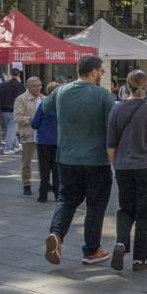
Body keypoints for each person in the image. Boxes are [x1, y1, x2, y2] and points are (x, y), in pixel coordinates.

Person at [43, 55, 116, 266]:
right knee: (95, 205)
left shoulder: (60, 91)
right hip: (96, 160)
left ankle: (56, 235)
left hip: (66, 158)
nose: (102, 74)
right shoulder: (102, 95)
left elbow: (45, 108)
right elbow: (111, 126)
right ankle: (91, 249)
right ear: (93, 71)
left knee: (66, 200)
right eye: (101, 70)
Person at [106, 69, 147, 272]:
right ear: (146, 87)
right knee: (144, 212)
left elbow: (110, 146)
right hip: (145, 167)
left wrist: (115, 167)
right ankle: (140, 259)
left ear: (127, 85)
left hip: (123, 167)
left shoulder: (116, 109)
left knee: (125, 208)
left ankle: (121, 243)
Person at [14, 77, 44, 196]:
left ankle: (45, 183)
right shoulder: (21, 99)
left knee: (44, 161)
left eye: (40, 85)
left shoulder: (44, 98)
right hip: (28, 134)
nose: (38, 88)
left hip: (42, 135)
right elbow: (17, 117)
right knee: (26, 162)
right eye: (34, 86)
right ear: (28, 87)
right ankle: (26, 184)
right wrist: (33, 120)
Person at [31, 81, 60, 203]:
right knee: (57, 170)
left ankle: (43, 195)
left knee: (44, 169)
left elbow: (34, 124)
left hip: (43, 142)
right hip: (58, 141)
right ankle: (58, 195)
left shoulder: (43, 105)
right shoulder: (61, 106)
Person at [0, 69, 26, 154]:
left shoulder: (3, 85)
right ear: (19, 75)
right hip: (15, 110)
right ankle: (8, 147)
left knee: (10, 128)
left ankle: (15, 145)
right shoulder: (20, 86)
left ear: (11, 75)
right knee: (12, 128)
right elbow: (23, 98)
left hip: (4, 109)